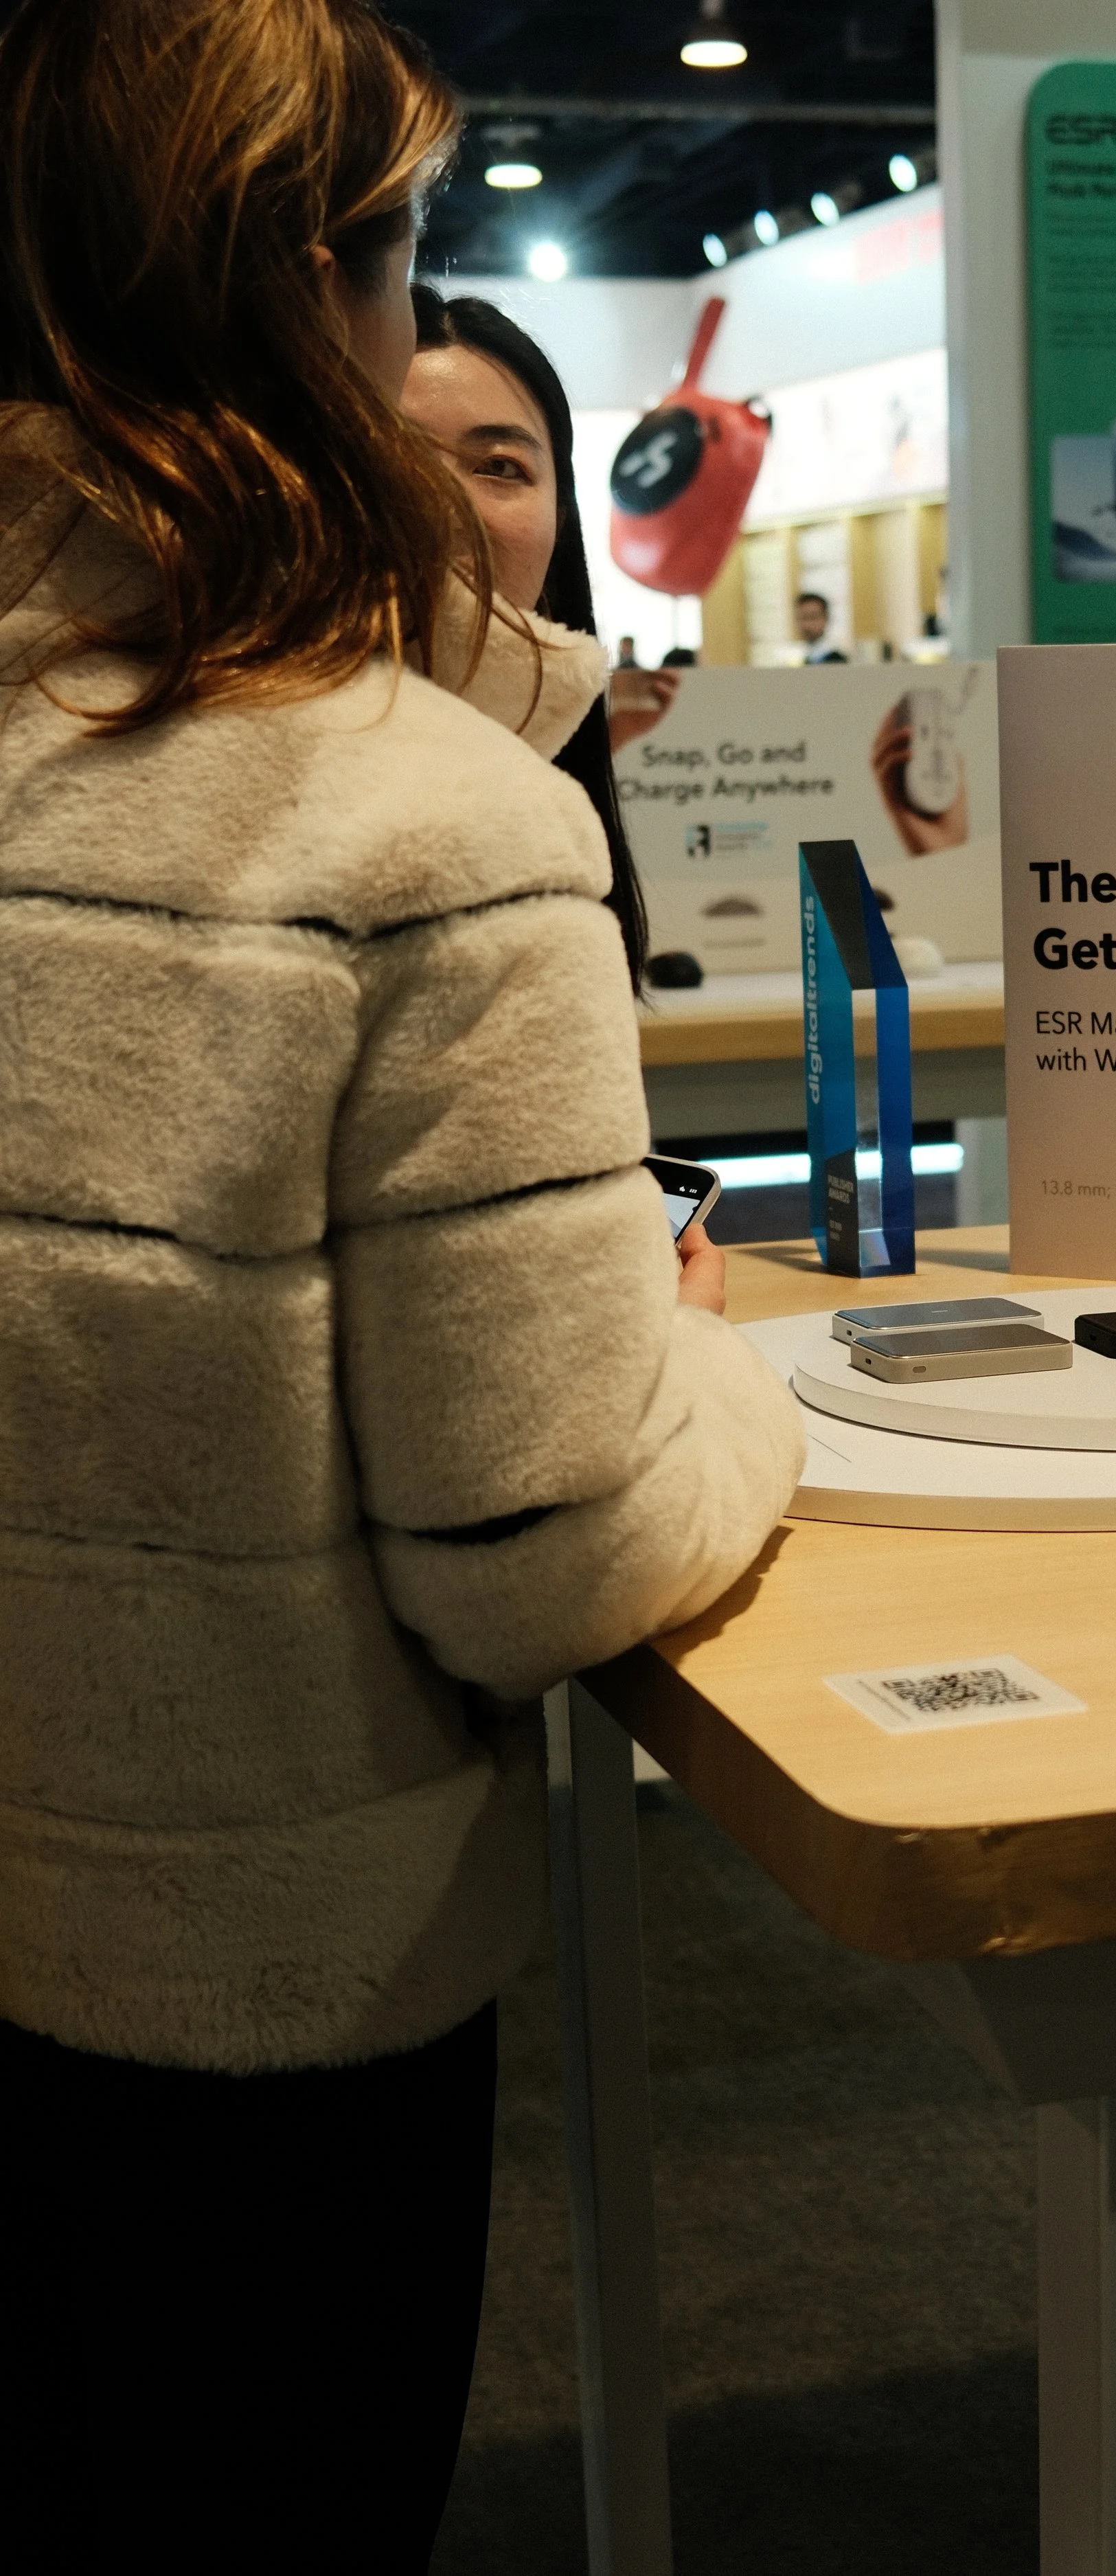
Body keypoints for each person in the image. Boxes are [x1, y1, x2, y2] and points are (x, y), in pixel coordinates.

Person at [0, 3, 803, 2568]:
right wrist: (717, 1374)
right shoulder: (421, 821)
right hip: (247, 1988)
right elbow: (544, 1543)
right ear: (322, 295)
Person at [404, 281, 661, 973]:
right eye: (398, 456)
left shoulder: (556, 812)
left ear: (559, 521)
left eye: (499, 467)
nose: (448, 504)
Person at [795, 587, 848, 662]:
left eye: (813, 617)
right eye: (803, 618)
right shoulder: (803, 656)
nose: (807, 624)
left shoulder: (836, 659)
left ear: (826, 618)